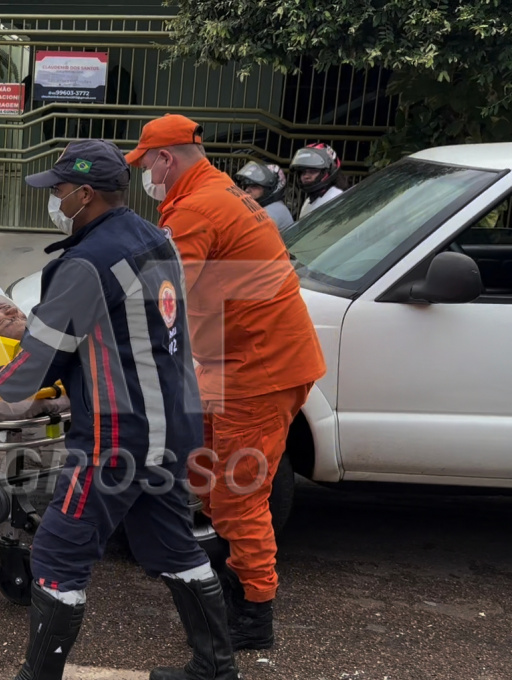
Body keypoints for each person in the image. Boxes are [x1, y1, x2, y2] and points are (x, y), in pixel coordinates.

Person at [0, 139, 240, 680]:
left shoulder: (86, 261)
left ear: (85, 194)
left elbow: (40, 354)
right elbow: (134, 335)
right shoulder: (155, 239)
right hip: (171, 422)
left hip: (118, 434)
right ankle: (215, 667)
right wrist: (74, 386)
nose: (54, 199)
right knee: (172, 542)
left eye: (59, 190)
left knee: (60, 552)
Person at [126, 114, 326, 650]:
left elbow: (166, 299)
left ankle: (254, 612)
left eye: (145, 162)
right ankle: (226, 565)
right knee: (207, 473)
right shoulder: (220, 193)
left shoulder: (197, 208)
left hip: (257, 371)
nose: (144, 174)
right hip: (240, 361)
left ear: (165, 159)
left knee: (240, 492)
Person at [233, 161, 295, 231]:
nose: (247, 190)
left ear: (269, 189)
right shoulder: (275, 207)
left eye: (254, 186)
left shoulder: (271, 212)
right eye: (246, 186)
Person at [289, 143, 345, 219]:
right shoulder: (309, 201)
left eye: (312, 171)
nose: (306, 176)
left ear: (327, 171)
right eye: (303, 172)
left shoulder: (335, 198)